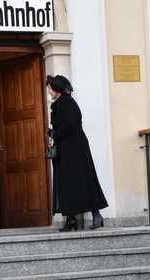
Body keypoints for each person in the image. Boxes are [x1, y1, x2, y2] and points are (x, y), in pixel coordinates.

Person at [47, 75, 108, 231]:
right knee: (68, 183)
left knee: (83, 180)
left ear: (57, 89)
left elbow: (70, 125)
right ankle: (71, 220)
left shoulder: (66, 102)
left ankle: (96, 216)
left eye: (50, 88)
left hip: (74, 149)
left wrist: (55, 133)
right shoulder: (62, 103)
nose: (49, 91)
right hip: (68, 148)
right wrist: (54, 133)